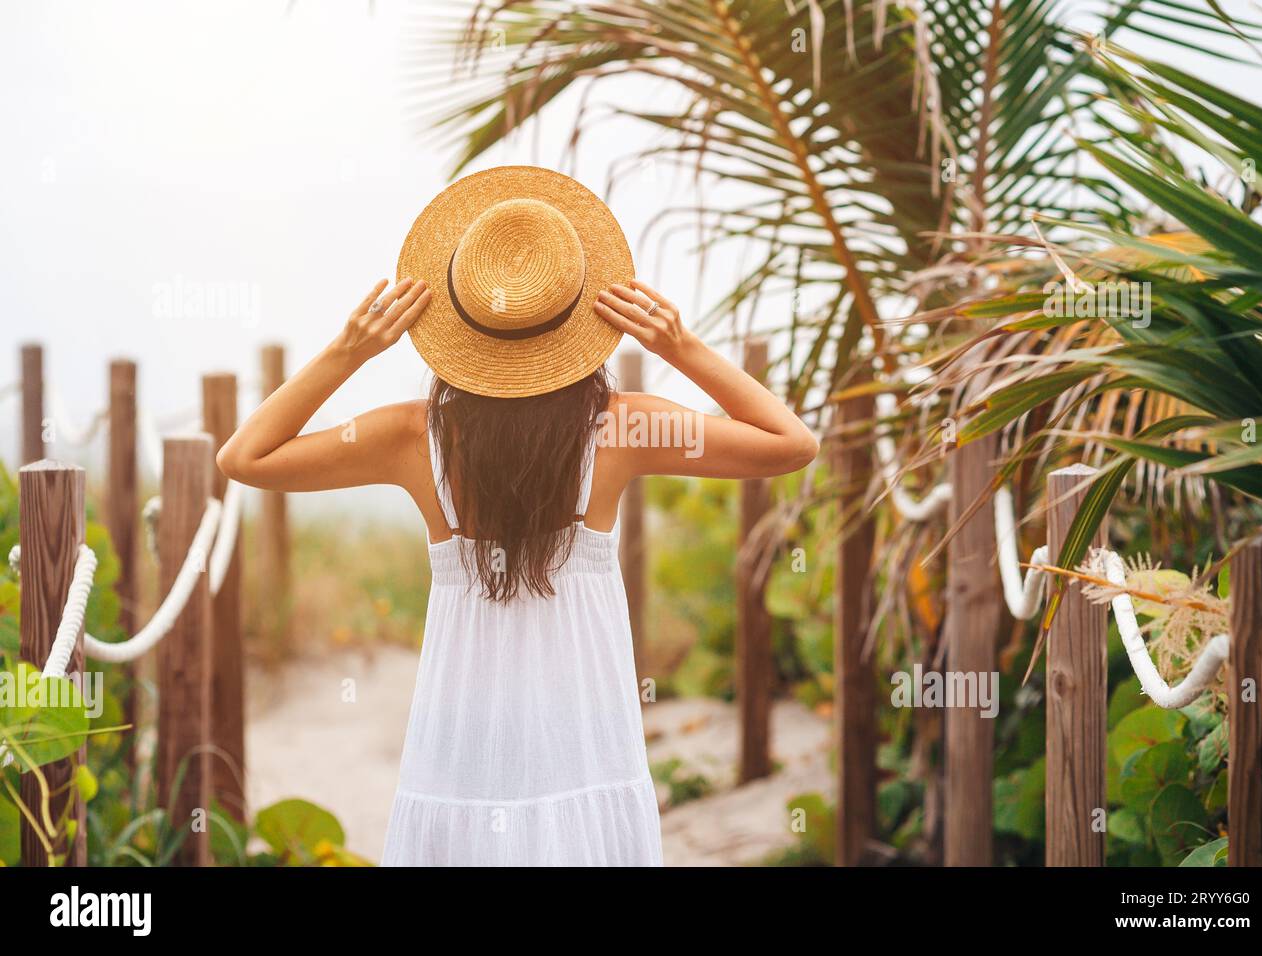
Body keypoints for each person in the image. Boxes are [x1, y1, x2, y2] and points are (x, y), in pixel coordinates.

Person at [217, 166, 819, 866]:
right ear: (580, 319)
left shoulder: (412, 439)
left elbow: (244, 457)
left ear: (457, 323)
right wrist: (677, 345)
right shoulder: (619, 432)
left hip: (461, 743)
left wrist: (349, 352)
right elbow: (792, 444)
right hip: (584, 737)